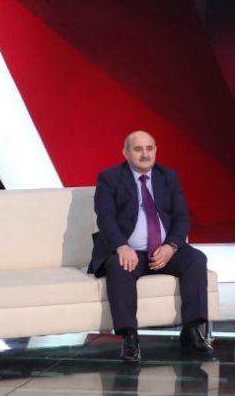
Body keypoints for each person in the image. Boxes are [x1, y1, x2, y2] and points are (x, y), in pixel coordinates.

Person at [89, 130, 212, 364]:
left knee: (196, 259)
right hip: (130, 253)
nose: (145, 154)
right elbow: (105, 217)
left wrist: (171, 246)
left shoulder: (169, 176)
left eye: (150, 148)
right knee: (118, 267)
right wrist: (121, 246)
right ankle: (130, 337)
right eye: (138, 149)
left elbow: (182, 217)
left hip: (164, 251)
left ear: (155, 150)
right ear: (125, 153)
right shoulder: (110, 178)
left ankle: (191, 330)